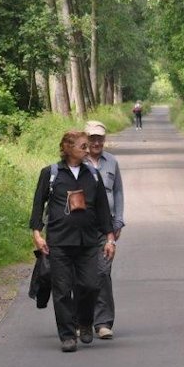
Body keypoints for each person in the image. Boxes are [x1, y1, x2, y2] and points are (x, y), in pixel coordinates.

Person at [30, 130, 117, 352]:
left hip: (88, 242)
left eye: (87, 146)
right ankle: (67, 335)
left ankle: (85, 322)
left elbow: (103, 209)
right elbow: (38, 205)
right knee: (62, 290)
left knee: (90, 285)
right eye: (83, 146)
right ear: (68, 148)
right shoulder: (51, 173)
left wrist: (109, 238)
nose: (88, 150)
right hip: (59, 242)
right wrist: (37, 234)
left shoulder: (93, 175)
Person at [84, 120, 125, 340]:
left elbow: (118, 192)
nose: (96, 142)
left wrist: (118, 221)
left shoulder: (112, 161)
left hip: (105, 226)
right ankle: (82, 320)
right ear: (85, 139)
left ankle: (102, 322)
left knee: (102, 272)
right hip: (80, 227)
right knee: (80, 275)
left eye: (100, 138)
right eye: (92, 138)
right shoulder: (76, 161)